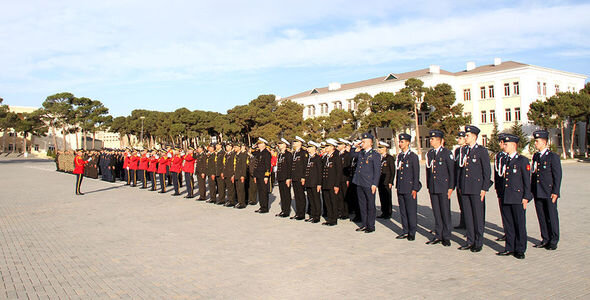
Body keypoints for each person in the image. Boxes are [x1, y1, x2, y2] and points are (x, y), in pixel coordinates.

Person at [496, 134, 532, 259]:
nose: (504, 146)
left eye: (506, 144)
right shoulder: (505, 159)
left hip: (518, 197)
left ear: (514, 145)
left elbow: (527, 181)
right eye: (504, 144)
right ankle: (509, 247)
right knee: (509, 224)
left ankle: (520, 249)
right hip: (506, 196)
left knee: (519, 224)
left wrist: (526, 197)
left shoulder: (522, 160)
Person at [457, 125, 491, 253]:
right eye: (465, 135)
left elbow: (486, 171)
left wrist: (484, 188)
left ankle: (478, 241)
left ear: (474, 137)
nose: (465, 137)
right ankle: (469, 240)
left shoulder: (481, 151)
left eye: (467, 135)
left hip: (477, 188)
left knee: (477, 216)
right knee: (469, 216)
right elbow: (461, 170)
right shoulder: (464, 150)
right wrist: (460, 185)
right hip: (465, 188)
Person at [531, 130, 562, 251]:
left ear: (544, 142)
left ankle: (553, 240)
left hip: (549, 192)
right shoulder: (536, 156)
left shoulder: (552, 157)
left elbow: (557, 175)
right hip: (538, 191)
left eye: (537, 141)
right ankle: (545, 239)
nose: (535, 143)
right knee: (542, 216)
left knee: (552, 216)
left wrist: (556, 192)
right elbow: (533, 174)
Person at [424, 130, 454, 247]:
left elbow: (451, 171)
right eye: (430, 139)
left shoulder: (447, 153)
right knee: (436, 212)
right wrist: (428, 185)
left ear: (440, 140)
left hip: (444, 187)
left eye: (433, 139)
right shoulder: (430, 154)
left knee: (445, 212)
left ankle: (446, 236)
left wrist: (451, 187)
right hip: (433, 187)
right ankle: (438, 235)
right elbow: (428, 171)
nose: (431, 140)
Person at [351, 133, 381, 233]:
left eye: (364, 141)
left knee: (370, 205)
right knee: (362, 204)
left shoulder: (375, 155)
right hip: (359, 182)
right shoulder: (361, 153)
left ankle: (370, 226)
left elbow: (377, 171)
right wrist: (355, 146)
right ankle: (364, 224)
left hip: (369, 183)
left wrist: (374, 184)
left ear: (370, 143)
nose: (362, 143)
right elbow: (351, 155)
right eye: (362, 141)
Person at [394, 133, 421, 240]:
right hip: (400, 187)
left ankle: (412, 232)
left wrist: (415, 188)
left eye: (402, 142)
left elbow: (416, 174)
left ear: (408, 143)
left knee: (411, 211)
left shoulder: (413, 157)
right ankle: (405, 230)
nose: (400, 144)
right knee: (403, 211)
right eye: (400, 142)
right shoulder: (400, 156)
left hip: (409, 188)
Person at [321, 139, 342, 226]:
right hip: (325, 183)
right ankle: (329, 218)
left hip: (332, 183)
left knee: (333, 201)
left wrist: (336, 185)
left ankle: (334, 219)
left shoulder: (336, 157)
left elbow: (338, 172)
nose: (325, 148)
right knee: (327, 201)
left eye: (327, 146)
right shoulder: (326, 157)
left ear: (332, 147)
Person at [493, 133, 508, 242]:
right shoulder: (499, 156)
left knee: (511, 212)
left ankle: (513, 233)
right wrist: (497, 188)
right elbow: (497, 174)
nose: (500, 144)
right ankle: (507, 232)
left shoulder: (510, 156)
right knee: (504, 212)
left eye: (502, 142)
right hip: (501, 188)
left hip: (511, 189)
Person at [303, 141, 322, 223]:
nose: (308, 149)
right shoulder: (308, 158)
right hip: (309, 182)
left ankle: (317, 216)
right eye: (308, 147)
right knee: (310, 199)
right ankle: (312, 215)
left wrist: (319, 183)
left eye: (310, 147)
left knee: (316, 199)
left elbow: (319, 172)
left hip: (315, 182)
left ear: (314, 148)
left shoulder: (317, 158)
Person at [290, 136, 308, 220]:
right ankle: (298, 212)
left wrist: (303, 177)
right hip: (294, 177)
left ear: (300, 143)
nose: (294, 143)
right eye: (294, 142)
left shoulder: (303, 153)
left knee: (301, 195)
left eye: (296, 142)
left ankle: (302, 213)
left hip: (300, 177)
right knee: (297, 195)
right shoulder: (294, 153)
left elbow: (305, 166)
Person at [377, 141, 395, 219]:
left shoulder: (389, 158)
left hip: (387, 181)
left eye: (381, 148)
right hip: (380, 181)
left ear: (385, 148)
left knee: (387, 197)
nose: (379, 149)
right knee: (382, 197)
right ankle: (383, 212)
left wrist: (391, 181)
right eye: (379, 147)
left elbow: (392, 171)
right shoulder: (379, 158)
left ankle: (388, 213)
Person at [276, 138, 293, 218]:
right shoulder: (280, 154)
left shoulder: (288, 154)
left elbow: (289, 167)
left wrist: (288, 178)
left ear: (285, 145)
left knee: (286, 194)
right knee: (282, 194)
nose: (279, 145)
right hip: (280, 177)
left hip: (286, 177)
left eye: (281, 144)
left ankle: (287, 211)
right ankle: (283, 210)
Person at [254, 138, 272, 213]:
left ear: (264, 144)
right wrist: (255, 175)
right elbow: (256, 164)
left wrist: (266, 176)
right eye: (258, 144)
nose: (259, 145)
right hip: (258, 175)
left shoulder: (266, 153)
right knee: (260, 192)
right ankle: (261, 206)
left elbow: (268, 166)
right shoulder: (258, 152)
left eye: (260, 144)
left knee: (264, 192)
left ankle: (265, 208)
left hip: (263, 175)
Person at [337, 139, 353, 220]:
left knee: (345, 196)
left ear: (344, 145)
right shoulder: (338, 154)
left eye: (340, 144)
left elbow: (349, 167)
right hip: (338, 178)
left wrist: (347, 179)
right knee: (339, 196)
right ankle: (340, 211)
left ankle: (345, 213)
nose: (338, 146)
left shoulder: (347, 155)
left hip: (344, 178)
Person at [454, 131, 467, 229]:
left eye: (460, 138)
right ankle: (463, 222)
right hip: (458, 181)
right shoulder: (458, 150)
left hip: (466, 181)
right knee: (461, 203)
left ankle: (468, 224)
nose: (458, 140)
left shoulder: (467, 150)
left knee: (466, 204)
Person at [233, 144, 248, 208]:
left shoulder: (243, 155)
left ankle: (242, 203)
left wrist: (243, 175)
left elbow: (244, 166)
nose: (234, 148)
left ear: (239, 148)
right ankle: (239, 202)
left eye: (236, 147)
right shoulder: (236, 155)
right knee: (238, 189)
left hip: (240, 174)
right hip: (236, 174)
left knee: (241, 189)